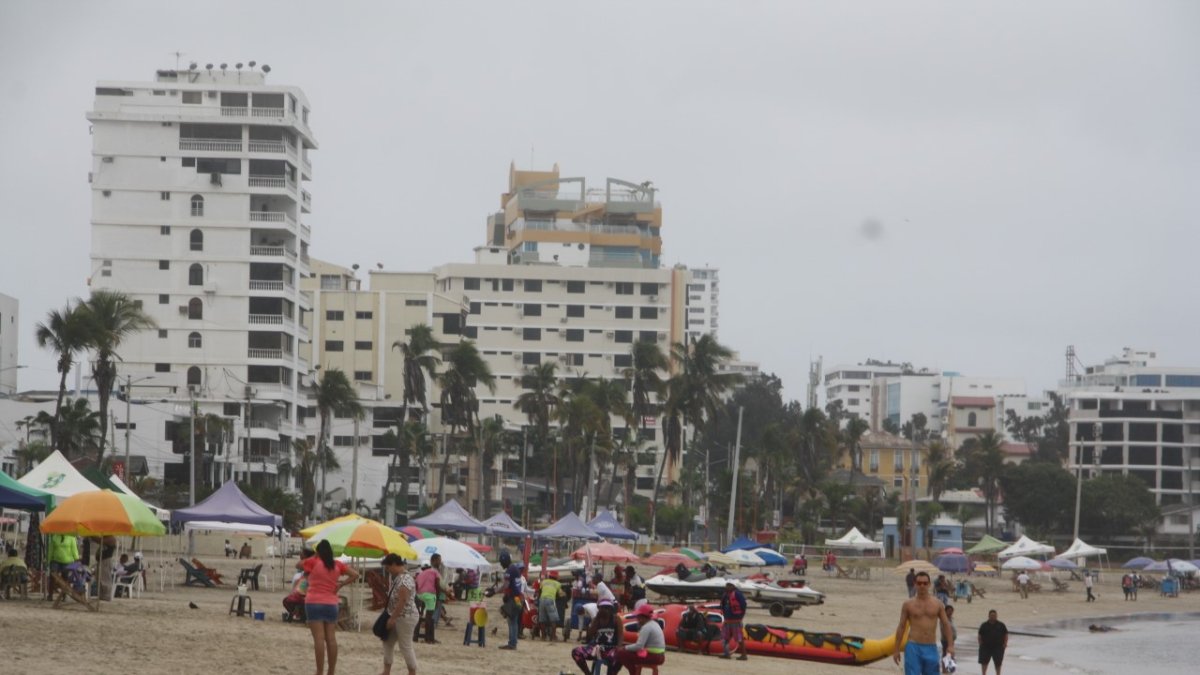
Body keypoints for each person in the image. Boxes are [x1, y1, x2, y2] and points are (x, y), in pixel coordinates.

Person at [300, 539, 359, 675]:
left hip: (313, 602)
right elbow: (356, 574)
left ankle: (319, 672)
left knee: (319, 639)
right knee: (331, 639)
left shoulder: (313, 562)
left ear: (318, 552)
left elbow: (300, 565)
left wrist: (313, 557)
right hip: (331, 603)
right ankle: (331, 671)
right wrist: (340, 585)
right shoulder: (337, 564)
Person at [893, 570, 955, 675]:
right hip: (913, 646)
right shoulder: (908, 604)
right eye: (919, 583)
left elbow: (946, 624)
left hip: (931, 646)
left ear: (929, 584)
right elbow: (901, 627)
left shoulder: (938, 604)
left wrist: (950, 645)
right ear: (915, 584)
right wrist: (896, 649)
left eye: (925, 583)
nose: (922, 586)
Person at [380, 553, 419, 675]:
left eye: (388, 568)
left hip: (405, 617)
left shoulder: (405, 579)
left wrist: (392, 618)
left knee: (405, 646)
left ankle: (412, 672)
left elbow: (403, 601)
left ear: (393, 565)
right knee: (388, 642)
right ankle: (386, 671)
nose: (388, 571)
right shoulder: (399, 578)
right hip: (397, 615)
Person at [570, 599, 622, 675]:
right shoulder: (597, 619)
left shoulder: (616, 619)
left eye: (607, 608)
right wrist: (596, 620)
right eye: (602, 608)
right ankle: (588, 673)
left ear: (611, 609)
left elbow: (620, 636)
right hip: (596, 649)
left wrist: (618, 648)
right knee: (576, 652)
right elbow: (589, 636)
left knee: (619, 657)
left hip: (611, 648)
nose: (605, 610)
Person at [615, 604, 666, 672]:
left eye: (638, 617)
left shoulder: (646, 627)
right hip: (660, 656)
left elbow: (639, 646)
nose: (637, 619)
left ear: (642, 617)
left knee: (620, 653)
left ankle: (633, 672)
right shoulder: (654, 624)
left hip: (653, 656)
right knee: (623, 651)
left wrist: (624, 648)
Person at [719, 580, 748, 660]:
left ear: (733, 586)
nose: (727, 586)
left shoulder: (738, 594)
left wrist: (740, 617)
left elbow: (743, 606)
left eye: (729, 585)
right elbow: (723, 606)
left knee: (739, 638)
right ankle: (726, 654)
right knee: (725, 638)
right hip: (727, 620)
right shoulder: (725, 595)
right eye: (727, 585)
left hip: (736, 620)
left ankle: (744, 655)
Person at [415, 562, 442, 643]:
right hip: (430, 595)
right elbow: (437, 584)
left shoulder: (419, 575)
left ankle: (416, 637)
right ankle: (429, 638)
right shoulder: (434, 571)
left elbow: (416, 586)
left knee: (422, 616)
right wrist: (438, 596)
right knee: (429, 617)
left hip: (419, 596)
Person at [283, 548, 313, 622]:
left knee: (287, 601)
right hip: (303, 590)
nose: (300, 554)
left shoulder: (308, 565)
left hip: (304, 594)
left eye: (302, 553)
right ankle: (298, 613)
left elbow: (298, 565)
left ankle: (297, 614)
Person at [499, 562, 523, 650]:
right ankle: (513, 642)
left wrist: (495, 591)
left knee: (511, 621)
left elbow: (506, 585)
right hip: (518, 598)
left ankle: (512, 643)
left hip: (513, 599)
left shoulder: (510, 571)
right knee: (514, 621)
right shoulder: (516, 571)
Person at [977, 609, 1008, 675]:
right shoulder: (984, 625)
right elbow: (980, 635)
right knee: (984, 662)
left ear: (996, 616)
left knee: (998, 663)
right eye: (991, 615)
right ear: (988, 616)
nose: (993, 617)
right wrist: (980, 643)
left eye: (994, 615)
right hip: (985, 647)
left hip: (998, 647)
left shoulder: (1001, 625)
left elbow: (1005, 634)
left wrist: (1005, 644)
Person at [538, 571, 564, 641]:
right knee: (553, 620)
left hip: (542, 600)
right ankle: (553, 637)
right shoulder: (557, 584)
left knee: (542, 619)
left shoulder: (543, 582)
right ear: (556, 577)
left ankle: (543, 637)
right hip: (550, 600)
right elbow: (561, 594)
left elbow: (540, 591)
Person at [941, 605, 958, 673]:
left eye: (951, 611)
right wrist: (949, 639)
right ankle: (945, 670)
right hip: (946, 640)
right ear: (945, 611)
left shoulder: (951, 619)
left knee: (949, 655)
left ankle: (948, 669)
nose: (950, 612)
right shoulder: (944, 620)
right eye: (949, 611)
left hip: (951, 640)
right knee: (946, 655)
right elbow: (943, 630)